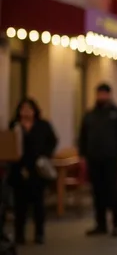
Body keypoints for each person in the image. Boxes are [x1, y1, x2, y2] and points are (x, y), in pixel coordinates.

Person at [78, 83, 117, 238]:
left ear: (109, 95)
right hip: (94, 159)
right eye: (99, 93)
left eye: (104, 93)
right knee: (97, 192)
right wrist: (82, 155)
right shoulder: (90, 114)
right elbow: (83, 136)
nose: (101, 96)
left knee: (113, 191)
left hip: (112, 159)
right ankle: (100, 224)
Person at [9, 98, 57, 245]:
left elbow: (53, 141)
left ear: (35, 110)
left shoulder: (43, 125)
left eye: (29, 109)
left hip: (38, 168)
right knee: (20, 205)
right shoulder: (14, 126)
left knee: (38, 203)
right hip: (19, 169)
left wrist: (45, 155)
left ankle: (39, 233)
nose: (26, 112)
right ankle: (19, 235)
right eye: (23, 109)